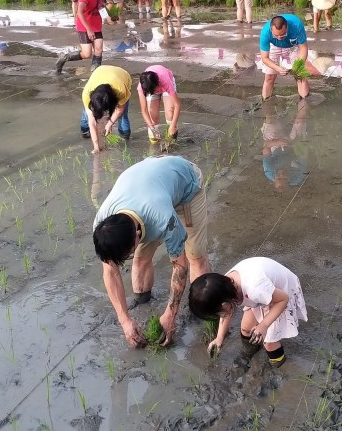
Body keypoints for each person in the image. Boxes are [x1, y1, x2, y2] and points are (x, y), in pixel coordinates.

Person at [93, 155, 210, 347]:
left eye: (127, 254)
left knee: (194, 255)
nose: (125, 260)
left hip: (186, 182)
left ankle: (199, 311)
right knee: (140, 259)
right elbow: (110, 271)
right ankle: (142, 301)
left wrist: (170, 314)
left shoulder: (164, 220)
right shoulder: (103, 226)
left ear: (138, 234)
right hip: (150, 178)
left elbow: (180, 267)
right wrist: (125, 321)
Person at [188, 257, 307, 367]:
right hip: (263, 294)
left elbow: (283, 299)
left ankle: (278, 363)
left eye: (218, 313)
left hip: (280, 295)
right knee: (246, 328)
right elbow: (226, 312)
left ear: (224, 304)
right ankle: (249, 353)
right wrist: (219, 337)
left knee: (268, 341)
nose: (221, 316)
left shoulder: (255, 288)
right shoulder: (221, 287)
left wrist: (263, 326)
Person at [56, 0, 114, 74]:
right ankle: (64, 58)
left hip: (96, 24)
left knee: (99, 50)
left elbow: (99, 7)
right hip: (84, 25)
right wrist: (88, 29)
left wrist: (108, 16)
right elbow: (79, 12)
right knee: (87, 54)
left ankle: (95, 73)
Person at [259, 14, 310, 100]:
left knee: (300, 75)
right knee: (269, 76)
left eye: (282, 34)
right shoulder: (265, 33)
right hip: (274, 46)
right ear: (271, 30)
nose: (279, 37)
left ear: (287, 27)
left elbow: (303, 48)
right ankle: (265, 100)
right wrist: (277, 68)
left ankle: (305, 100)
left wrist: (298, 65)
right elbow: (265, 58)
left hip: (293, 46)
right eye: (276, 35)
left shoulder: (296, 25)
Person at [80, 64, 132, 147]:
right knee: (87, 115)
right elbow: (92, 122)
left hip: (122, 75)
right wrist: (96, 147)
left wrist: (109, 123)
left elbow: (120, 109)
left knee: (123, 115)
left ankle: (125, 141)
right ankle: (85, 133)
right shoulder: (86, 94)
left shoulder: (120, 90)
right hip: (100, 71)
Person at [137, 65, 181, 142]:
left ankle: (171, 141)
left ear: (157, 84)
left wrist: (172, 126)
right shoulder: (142, 87)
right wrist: (151, 127)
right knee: (152, 117)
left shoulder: (166, 82)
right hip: (150, 86)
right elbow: (144, 110)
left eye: (154, 90)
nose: (154, 92)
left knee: (170, 114)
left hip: (165, 85)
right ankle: (154, 146)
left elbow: (177, 105)